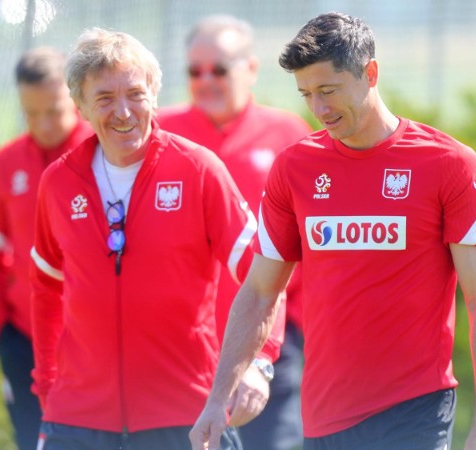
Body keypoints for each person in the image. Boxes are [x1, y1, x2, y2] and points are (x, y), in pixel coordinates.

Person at [190, 12, 476, 450]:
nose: (319, 109)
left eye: (329, 91)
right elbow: (260, 291)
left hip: (415, 406)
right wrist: (218, 397)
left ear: (370, 72)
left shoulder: (448, 164)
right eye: (306, 95)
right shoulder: (295, 168)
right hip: (324, 416)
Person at [29, 27, 285, 450]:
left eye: (135, 93)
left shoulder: (198, 170)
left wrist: (261, 361)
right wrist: (48, 390)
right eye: (105, 98)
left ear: (154, 94)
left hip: (186, 415)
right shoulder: (57, 183)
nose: (124, 112)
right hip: (76, 421)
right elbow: (45, 286)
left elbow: (264, 274)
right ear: (80, 106)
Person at [156, 14, 312, 450]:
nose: (206, 80)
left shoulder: (289, 135)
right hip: (182, 347)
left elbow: (312, 238)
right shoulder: (161, 135)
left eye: (219, 69)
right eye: (194, 71)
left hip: (270, 340)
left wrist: (298, 322)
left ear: (251, 68)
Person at [0, 46, 93, 450]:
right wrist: (1, 330)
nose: (43, 123)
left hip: (93, 340)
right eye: (31, 113)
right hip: (25, 341)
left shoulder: (102, 151)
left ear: (74, 99)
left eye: (54, 110)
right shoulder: (6, 164)